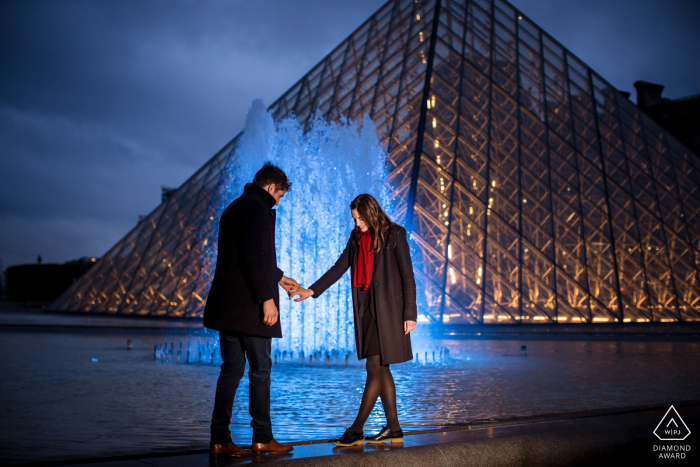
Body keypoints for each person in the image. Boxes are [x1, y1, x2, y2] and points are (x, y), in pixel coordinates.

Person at [291, 193, 417, 446]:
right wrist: (311, 290)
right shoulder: (356, 237)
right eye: (355, 219)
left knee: (375, 367)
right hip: (367, 309)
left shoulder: (395, 234)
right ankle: (394, 428)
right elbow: (339, 267)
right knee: (381, 369)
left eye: (360, 219)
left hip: (390, 311)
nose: (357, 224)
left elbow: (407, 276)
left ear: (371, 213)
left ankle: (357, 429)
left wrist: (410, 314)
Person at [203, 162, 298, 458]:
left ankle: (219, 439)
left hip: (227, 308)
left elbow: (244, 253)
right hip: (250, 309)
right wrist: (267, 299)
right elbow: (254, 257)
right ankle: (262, 438)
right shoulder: (259, 208)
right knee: (261, 370)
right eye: (280, 195)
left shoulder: (235, 207)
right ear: (271, 188)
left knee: (230, 370)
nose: (278, 202)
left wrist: (280, 277)